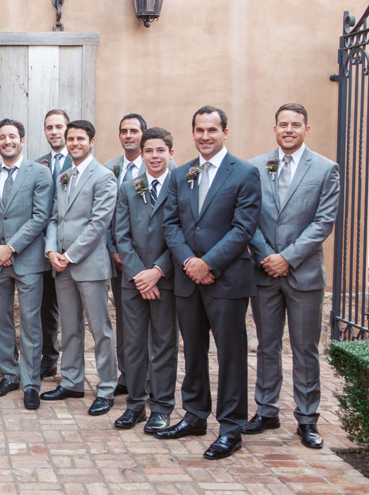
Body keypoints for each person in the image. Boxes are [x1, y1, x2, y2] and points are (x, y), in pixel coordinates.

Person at [159, 105, 261, 460]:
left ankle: (231, 428)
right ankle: (195, 415)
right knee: (194, 351)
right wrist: (189, 261)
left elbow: (244, 227)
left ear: (224, 133)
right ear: (193, 133)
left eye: (212, 130)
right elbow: (170, 224)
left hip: (227, 279)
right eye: (199, 130)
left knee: (231, 355)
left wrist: (209, 263)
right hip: (189, 279)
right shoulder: (181, 174)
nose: (205, 136)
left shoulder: (244, 173)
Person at [245, 103, 339, 449]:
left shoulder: (326, 169)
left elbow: (323, 223)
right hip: (264, 271)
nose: (288, 130)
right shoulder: (256, 166)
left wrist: (287, 257)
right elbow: (249, 217)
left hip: (304, 274)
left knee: (305, 348)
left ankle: (307, 419)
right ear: (275, 129)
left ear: (306, 130)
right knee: (266, 346)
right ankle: (266, 410)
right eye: (282, 124)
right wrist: (268, 255)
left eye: (295, 125)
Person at [0, 119, 53, 410]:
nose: (7, 141)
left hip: (27, 259)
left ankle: (31, 383)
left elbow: (40, 216)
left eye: (12, 137)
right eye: (2, 137)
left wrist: (11, 247)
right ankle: (10, 374)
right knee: (1, 321)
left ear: (22, 140)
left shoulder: (39, 173)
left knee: (31, 324)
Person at [43, 120, 118, 416]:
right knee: (70, 328)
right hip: (61, 265)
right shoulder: (63, 176)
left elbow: (99, 223)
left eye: (80, 138)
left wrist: (70, 255)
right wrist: (51, 250)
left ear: (92, 141)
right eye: (70, 138)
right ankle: (72, 381)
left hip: (89, 265)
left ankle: (107, 387)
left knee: (101, 330)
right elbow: (54, 218)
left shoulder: (104, 177)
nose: (74, 142)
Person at [113, 127, 178, 433]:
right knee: (134, 345)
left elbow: (182, 234)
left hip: (166, 280)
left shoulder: (180, 186)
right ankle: (135, 405)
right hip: (134, 281)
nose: (154, 156)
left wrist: (158, 271)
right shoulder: (129, 188)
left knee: (164, 344)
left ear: (170, 153)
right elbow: (121, 236)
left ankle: (162, 407)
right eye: (149, 151)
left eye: (160, 151)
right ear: (141, 154)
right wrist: (140, 274)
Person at [103, 113, 147, 397]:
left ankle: (151, 378)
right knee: (123, 318)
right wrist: (112, 249)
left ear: (143, 133)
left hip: (150, 261)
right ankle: (127, 374)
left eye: (133, 130)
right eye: (123, 131)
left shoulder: (161, 165)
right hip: (118, 259)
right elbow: (105, 215)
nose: (128, 135)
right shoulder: (110, 169)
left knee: (152, 323)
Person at [35, 109, 73, 380]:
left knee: (72, 312)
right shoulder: (39, 165)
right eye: (49, 127)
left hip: (73, 251)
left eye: (59, 126)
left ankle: (73, 367)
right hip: (42, 251)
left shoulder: (81, 161)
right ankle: (48, 360)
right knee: (46, 309)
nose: (54, 131)